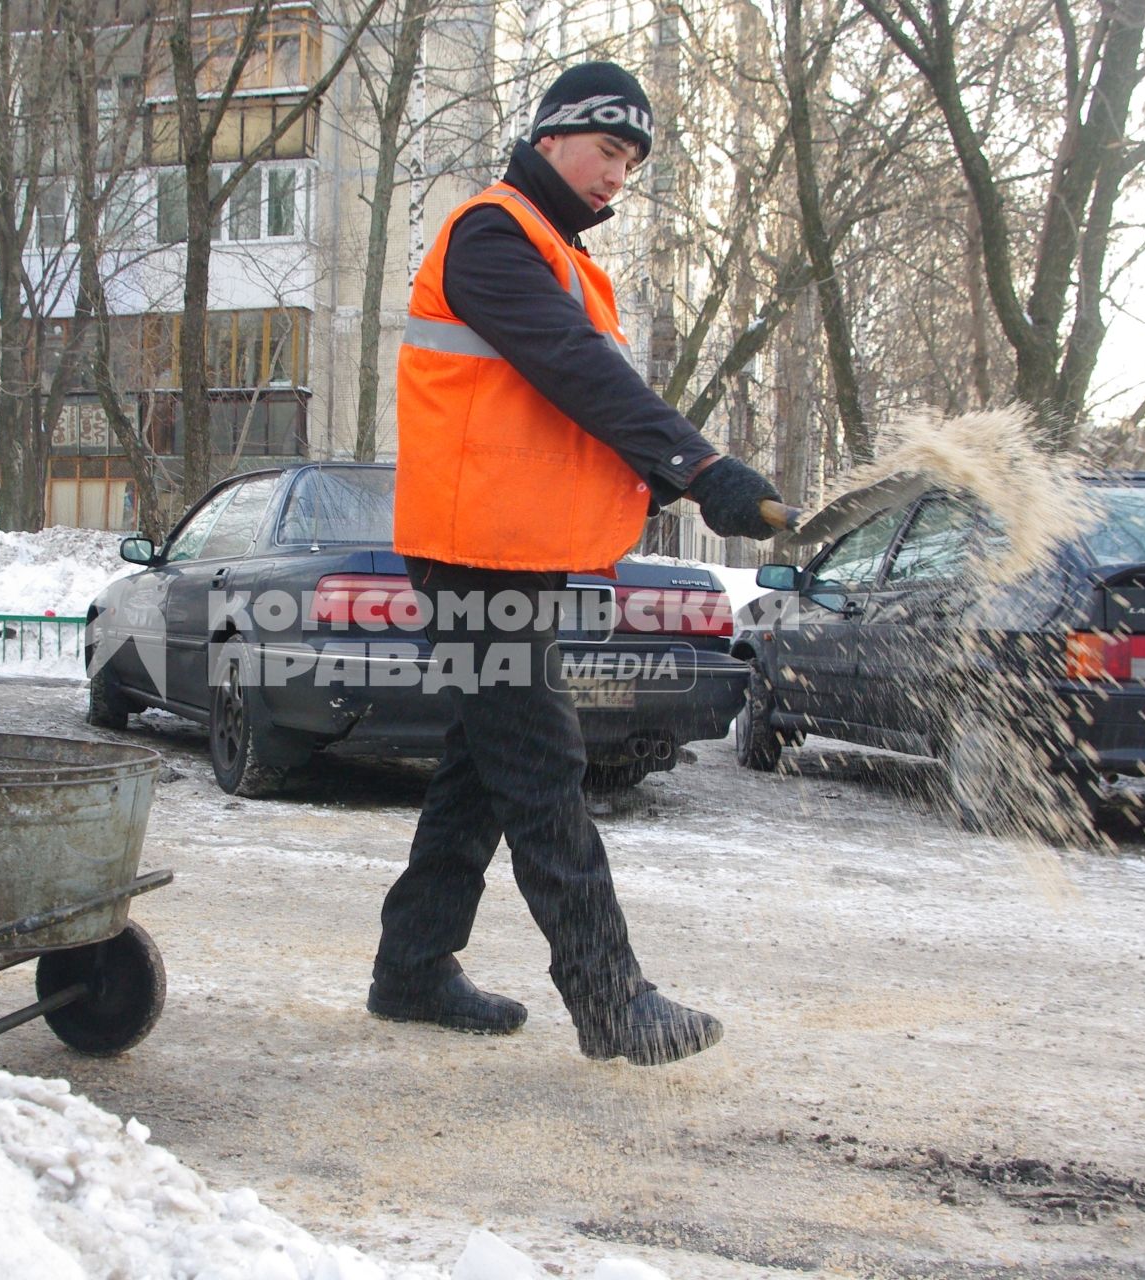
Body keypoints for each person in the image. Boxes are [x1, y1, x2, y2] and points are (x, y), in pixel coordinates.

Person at [368, 61, 783, 1066]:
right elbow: (573, 368)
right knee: (541, 764)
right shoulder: (492, 234)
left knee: (481, 766)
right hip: (473, 564)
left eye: (632, 162)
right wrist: (698, 466)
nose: (617, 176)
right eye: (608, 150)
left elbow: (569, 398)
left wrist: (686, 475)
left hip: (509, 555)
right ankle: (610, 998)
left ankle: (412, 966)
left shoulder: (552, 251)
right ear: (553, 135)